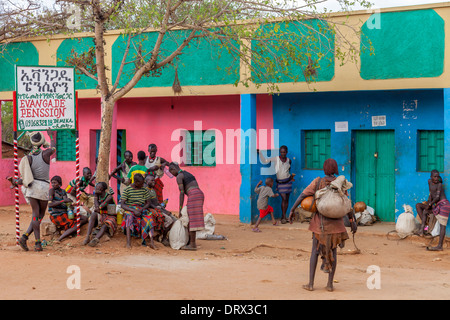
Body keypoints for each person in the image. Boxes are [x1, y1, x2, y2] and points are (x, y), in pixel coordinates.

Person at [288, 158, 357, 292]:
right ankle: (330, 284)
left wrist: (292, 209)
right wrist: (352, 221)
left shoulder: (318, 181)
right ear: (336, 169)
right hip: (337, 225)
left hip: (320, 224)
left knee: (315, 251)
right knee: (334, 252)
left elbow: (302, 196)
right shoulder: (341, 183)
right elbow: (346, 204)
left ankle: (311, 283)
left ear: (324, 169)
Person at [7, 130, 56, 252]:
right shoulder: (46, 154)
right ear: (41, 142)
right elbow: (54, 147)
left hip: (32, 187)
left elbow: (26, 177)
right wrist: (50, 136)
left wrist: (17, 181)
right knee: (40, 215)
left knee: (35, 215)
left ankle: (25, 237)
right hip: (43, 187)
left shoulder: (28, 158)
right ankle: (37, 243)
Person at [168, 162, 205, 251]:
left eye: (170, 172)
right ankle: (190, 242)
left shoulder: (179, 176)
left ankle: (192, 245)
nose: (172, 174)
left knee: (191, 220)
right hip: (199, 194)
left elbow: (181, 193)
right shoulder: (188, 173)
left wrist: (180, 209)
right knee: (191, 218)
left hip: (193, 195)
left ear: (173, 169)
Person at [258, 145, 295, 224]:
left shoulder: (289, 160)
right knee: (284, 198)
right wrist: (260, 152)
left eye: (284, 152)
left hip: (288, 182)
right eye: (281, 152)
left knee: (287, 199)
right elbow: (265, 161)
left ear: (286, 152)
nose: (283, 154)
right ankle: (283, 216)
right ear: (280, 152)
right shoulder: (276, 159)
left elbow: (288, 170)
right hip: (280, 183)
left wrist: (291, 177)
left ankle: (283, 217)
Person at [120, 173, 156, 249]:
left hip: (141, 209)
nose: (143, 185)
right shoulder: (127, 190)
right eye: (141, 183)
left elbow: (148, 203)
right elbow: (122, 205)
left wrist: (141, 209)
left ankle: (151, 242)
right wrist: (133, 210)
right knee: (129, 216)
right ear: (136, 182)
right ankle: (128, 243)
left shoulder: (144, 190)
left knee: (149, 219)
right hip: (130, 209)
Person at [416, 170, 449, 251]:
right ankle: (422, 229)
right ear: (431, 177)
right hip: (437, 205)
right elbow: (431, 193)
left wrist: (430, 204)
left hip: (444, 205)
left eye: (438, 176)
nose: (436, 178)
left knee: (442, 226)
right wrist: (429, 203)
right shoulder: (429, 182)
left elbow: (437, 197)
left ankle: (439, 246)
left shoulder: (439, 185)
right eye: (434, 176)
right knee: (425, 211)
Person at [48, 175, 88, 242]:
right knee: (73, 224)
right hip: (56, 215)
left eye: (55, 183)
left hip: (65, 213)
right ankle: (60, 238)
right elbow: (50, 204)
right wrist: (63, 201)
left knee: (84, 218)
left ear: (60, 184)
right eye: (52, 183)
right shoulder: (51, 191)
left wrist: (71, 205)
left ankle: (70, 231)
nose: (53, 184)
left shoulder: (63, 192)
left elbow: (66, 204)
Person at [145, 174, 176, 246]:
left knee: (175, 220)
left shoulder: (153, 190)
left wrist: (163, 206)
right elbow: (149, 204)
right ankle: (163, 238)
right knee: (169, 220)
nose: (154, 182)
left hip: (157, 207)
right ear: (146, 181)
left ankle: (164, 236)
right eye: (152, 180)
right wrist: (163, 210)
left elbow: (157, 202)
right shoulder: (145, 191)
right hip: (151, 209)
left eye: (154, 180)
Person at [83, 182, 117, 247]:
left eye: (98, 187)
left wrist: (98, 208)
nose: (96, 188)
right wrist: (96, 197)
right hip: (101, 214)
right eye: (96, 187)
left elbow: (101, 206)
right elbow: (96, 207)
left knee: (105, 225)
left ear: (103, 189)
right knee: (93, 214)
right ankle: (87, 236)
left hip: (110, 216)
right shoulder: (96, 195)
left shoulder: (109, 197)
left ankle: (96, 239)